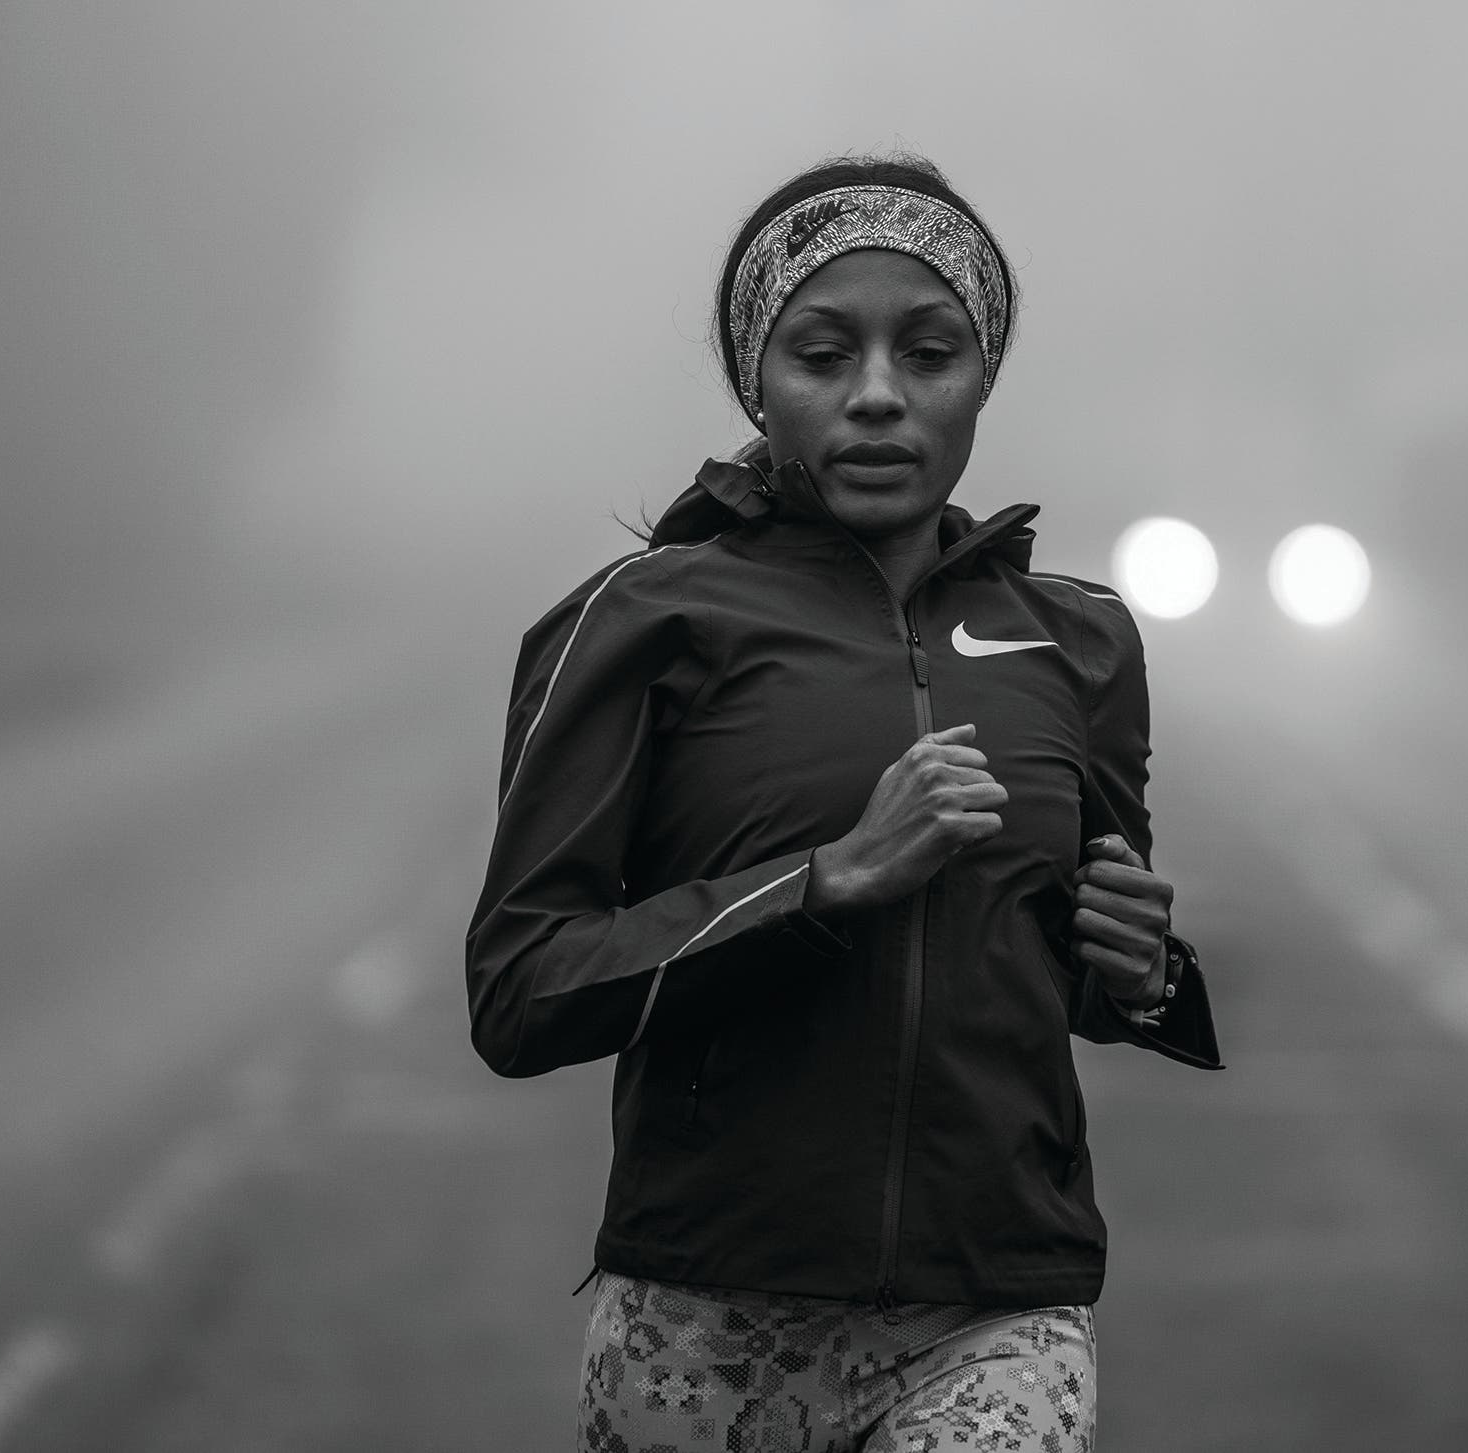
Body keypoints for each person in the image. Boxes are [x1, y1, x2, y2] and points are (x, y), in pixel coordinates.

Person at [466, 153, 1221, 1453]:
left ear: (980, 378)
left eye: (929, 353)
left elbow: (1066, 965)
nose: (877, 394)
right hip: (704, 1322)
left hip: (997, 1307)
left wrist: (1140, 975)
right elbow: (521, 991)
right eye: (823, 355)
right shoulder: (642, 620)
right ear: (759, 382)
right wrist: (822, 884)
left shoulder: (1079, 639)